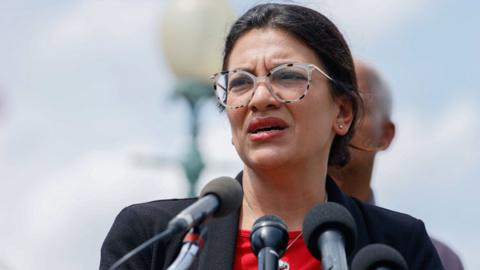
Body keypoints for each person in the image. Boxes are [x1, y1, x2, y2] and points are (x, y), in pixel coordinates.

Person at [100, 4, 443, 269]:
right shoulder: (156, 237)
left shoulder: (401, 245)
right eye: (240, 82)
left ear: (342, 113)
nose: (260, 98)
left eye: (287, 75)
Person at [328, 60, 464, 270]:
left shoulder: (427, 255)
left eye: (354, 108)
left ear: (385, 135)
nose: (340, 121)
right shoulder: (271, 242)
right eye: (330, 106)